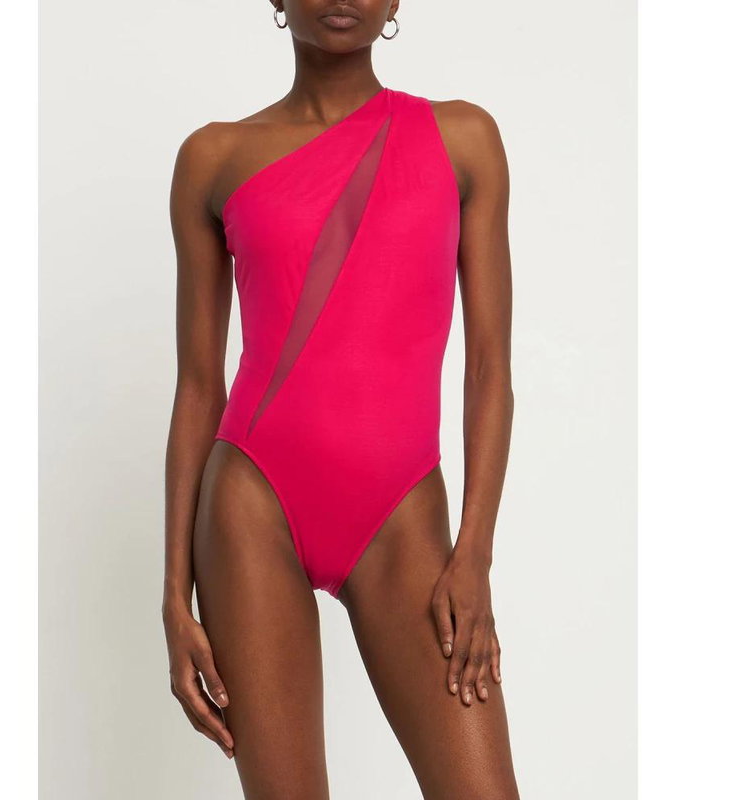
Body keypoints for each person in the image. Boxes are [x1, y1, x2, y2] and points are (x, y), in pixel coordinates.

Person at [162, 2, 519, 797]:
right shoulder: (213, 157)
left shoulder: (464, 140)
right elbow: (197, 385)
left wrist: (474, 553)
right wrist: (173, 598)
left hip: (403, 517)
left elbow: (490, 370)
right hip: (252, 506)